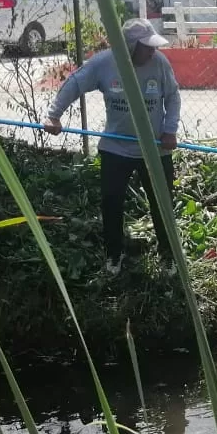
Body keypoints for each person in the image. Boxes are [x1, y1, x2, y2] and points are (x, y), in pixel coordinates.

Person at [43, 19, 180, 270]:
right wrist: (54, 114)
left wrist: (170, 130)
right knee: (111, 201)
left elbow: (172, 97)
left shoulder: (159, 63)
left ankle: (168, 255)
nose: (152, 51)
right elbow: (75, 83)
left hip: (155, 147)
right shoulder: (104, 63)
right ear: (129, 47)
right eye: (146, 46)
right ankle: (113, 255)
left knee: (163, 203)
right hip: (116, 146)